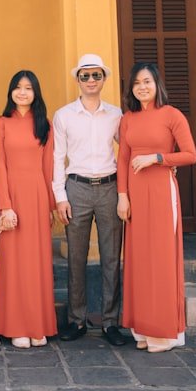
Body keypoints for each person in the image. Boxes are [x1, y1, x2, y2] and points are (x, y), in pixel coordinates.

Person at [117, 62, 196, 353]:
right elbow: (123, 159)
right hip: (135, 194)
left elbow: (190, 154)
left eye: (147, 81)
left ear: (157, 84)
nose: (142, 87)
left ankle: (164, 333)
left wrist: (157, 159)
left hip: (162, 191)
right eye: (137, 83)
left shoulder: (171, 115)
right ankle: (143, 329)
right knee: (139, 260)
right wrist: (122, 196)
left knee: (161, 259)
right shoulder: (128, 118)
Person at [52, 54, 128, 346]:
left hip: (109, 187)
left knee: (111, 258)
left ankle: (110, 322)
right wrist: (60, 197)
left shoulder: (116, 114)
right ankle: (77, 319)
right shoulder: (64, 115)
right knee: (76, 258)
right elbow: (58, 159)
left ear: (104, 79)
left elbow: (129, 149)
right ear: (78, 80)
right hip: (77, 189)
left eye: (96, 75)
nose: (91, 81)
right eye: (85, 76)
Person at [0, 70, 58, 348]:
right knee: (15, 263)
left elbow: (49, 168)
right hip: (13, 195)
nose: (22, 92)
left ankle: (37, 324)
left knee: (38, 262)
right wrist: (5, 206)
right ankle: (17, 325)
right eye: (17, 87)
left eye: (28, 88)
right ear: (11, 92)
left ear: (36, 93)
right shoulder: (2, 123)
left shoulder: (45, 124)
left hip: (38, 197)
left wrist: (52, 206)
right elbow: (0, 167)